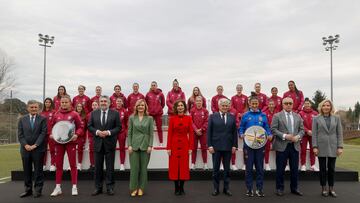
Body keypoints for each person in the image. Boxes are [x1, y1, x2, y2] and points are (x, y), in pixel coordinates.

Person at [49, 95, 84, 196]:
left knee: (73, 165)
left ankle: (74, 187)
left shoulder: (75, 114)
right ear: (60, 103)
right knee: (58, 165)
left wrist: (77, 134)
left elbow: (81, 127)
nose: (64, 104)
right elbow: (52, 127)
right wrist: (52, 134)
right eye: (62, 102)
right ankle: (58, 187)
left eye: (66, 102)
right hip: (59, 143)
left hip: (71, 143)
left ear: (70, 103)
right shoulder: (56, 115)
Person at [239, 93, 272, 197]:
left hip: (260, 146)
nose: (254, 105)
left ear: (259, 104)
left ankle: (259, 189)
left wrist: (270, 134)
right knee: (248, 168)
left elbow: (266, 128)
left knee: (259, 168)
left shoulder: (263, 115)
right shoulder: (245, 115)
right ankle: (249, 189)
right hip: (248, 146)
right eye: (252, 103)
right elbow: (241, 128)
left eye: (256, 103)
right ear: (249, 104)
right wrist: (240, 134)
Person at [88, 95, 121, 196]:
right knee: (98, 167)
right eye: (101, 101)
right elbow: (89, 126)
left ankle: (110, 187)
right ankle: (98, 188)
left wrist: (109, 132)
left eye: (105, 101)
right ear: (99, 103)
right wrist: (97, 132)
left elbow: (119, 127)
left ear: (109, 103)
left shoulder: (115, 113)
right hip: (98, 144)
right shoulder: (93, 113)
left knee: (110, 167)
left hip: (110, 143)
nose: (103, 103)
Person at [271, 97, 304, 196]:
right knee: (280, 169)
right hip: (282, 146)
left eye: (290, 103)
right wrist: (285, 136)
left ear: (293, 104)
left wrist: (297, 137)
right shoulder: (277, 116)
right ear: (282, 104)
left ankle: (294, 188)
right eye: (286, 103)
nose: (288, 105)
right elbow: (273, 129)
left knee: (294, 169)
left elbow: (302, 130)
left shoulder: (298, 116)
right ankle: (279, 188)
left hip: (295, 146)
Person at [312, 99, 343, 197]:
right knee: (322, 169)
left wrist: (340, 146)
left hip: (333, 146)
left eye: (328, 105)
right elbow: (314, 134)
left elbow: (339, 133)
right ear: (321, 107)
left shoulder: (336, 118)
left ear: (331, 107)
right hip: (320, 146)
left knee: (331, 169)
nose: (326, 107)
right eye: (324, 105)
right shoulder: (316, 118)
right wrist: (315, 146)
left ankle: (331, 189)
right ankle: (324, 188)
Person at [207, 98, 238, 196]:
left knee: (227, 170)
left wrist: (234, 146)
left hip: (228, 147)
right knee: (215, 170)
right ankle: (216, 189)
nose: (225, 107)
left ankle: (226, 188)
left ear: (229, 106)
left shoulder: (232, 117)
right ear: (219, 106)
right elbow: (209, 132)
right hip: (215, 147)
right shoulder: (212, 117)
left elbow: (234, 133)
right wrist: (210, 145)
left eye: (226, 105)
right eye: (223, 105)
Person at [18, 100, 47, 198]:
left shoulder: (43, 119)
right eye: (32, 107)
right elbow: (20, 135)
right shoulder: (22, 119)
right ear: (27, 108)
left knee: (38, 170)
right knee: (27, 170)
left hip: (38, 149)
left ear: (38, 108)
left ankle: (38, 190)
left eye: (35, 107)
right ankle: (28, 190)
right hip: (25, 149)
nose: (34, 109)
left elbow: (43, 133)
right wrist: (26, 145)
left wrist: (35, 145)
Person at [127, 99, 154, 197]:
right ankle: (133, 188)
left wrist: (150, 146)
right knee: (134, 169)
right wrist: (129, 145)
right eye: (139, 105)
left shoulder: (150, 118)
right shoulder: (131, 118)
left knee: (143, 169)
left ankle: (142, 188)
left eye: (142, 105)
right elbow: (129, 133)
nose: (141, 107)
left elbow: (151, 134)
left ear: (145, 107)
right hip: (134, 146)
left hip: (145, 146)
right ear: (136, 107)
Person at [167, 100, 194, 195]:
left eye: (182, 105)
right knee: (174, 167)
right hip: (174, 145)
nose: (180, 107)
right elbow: (169, 134)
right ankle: (176, 188)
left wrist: (190, 147)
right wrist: (168, 148)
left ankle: (182, 188)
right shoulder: (172, 119)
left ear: (184, 107)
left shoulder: (189, 118)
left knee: (183, 167)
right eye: (178, 106)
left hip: (184, 145)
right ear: (176, 108)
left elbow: (191, 134)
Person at [230, 84, 248, 170]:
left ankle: (245, 164)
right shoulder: (233, 97)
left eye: (240, 88)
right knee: (233, 144)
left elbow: (246, 107)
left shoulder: (245, 97)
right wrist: (238, 114)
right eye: (238, 88)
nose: (239, 89)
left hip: (243, 118)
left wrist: (243, 114)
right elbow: (232, 107)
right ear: (236, 89)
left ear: (242, 89)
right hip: (236, 118)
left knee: (245, 145)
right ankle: (233, 163)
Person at [299, 98, 319, 171]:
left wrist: (313, 131)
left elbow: (318, 124)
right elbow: (300, 124)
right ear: (304, 104)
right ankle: (303, 165)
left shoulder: (315, 113)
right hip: (304, 135)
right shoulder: (300, 113)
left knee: (312, 150)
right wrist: (307, 131)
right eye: (306, 103)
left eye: (308, 103)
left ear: (311, 104)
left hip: (313, 135)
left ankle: (313, 165)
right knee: (303, 150)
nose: (307, 105)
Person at [190, 96, 209, 170]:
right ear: (195, 102)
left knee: (204, 148)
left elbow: (207, 121)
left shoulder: (205, 111)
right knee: (193, 148)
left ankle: (205, 164)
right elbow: (191, 121)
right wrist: (195, 130)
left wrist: (201, 129)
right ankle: (193, 164)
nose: (198, 102)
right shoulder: (192, 110)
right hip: (194, 133)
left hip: (203, 133)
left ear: (202, 102)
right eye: (197, 101)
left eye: (200, 101)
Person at [145, 81, 165, 146]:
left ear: (156, 86)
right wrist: (149, 110)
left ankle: (161, 142)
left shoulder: (160, 94)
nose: (153, 86)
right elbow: (146, 103)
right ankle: (149, 143)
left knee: (159, 128)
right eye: (152, 85)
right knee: (149, 128)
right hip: (150, 114)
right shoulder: (148, 94)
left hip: (158, 114)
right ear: (151, 86)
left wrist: (158, 109)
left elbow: (163, 104)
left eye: (154, 85)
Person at [40, 97, 56, 171]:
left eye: (49, 102)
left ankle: (53, 164)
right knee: (43, 150)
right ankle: (43, 164)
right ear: (44, 103)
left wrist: (54, 132)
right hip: (43, 134)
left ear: (51, 103)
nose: (47, 103)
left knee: (52, 150)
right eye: (46, 102)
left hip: (51, 134)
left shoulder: (54, 112)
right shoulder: (41, 113)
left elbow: (56, 123)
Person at [113, 97, 129, 171]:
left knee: (122, 148)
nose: (119, 102)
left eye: (120, 101)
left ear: (122, 103)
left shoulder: (125, 111)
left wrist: (126, 131)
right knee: (111, 149)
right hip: (113, 133)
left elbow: (127, 123)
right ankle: (111, 164)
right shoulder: (112, 111)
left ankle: (122, 164)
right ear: (115, 102)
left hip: (122, 132)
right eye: (117, 101)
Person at [263, 99, 279, 171]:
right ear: (268, 105)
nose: (271, 105)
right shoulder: (264, 113)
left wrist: (275, 133)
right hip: (267, 133)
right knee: (267, 149)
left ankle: (280, 164)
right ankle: (266, 164)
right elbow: (264, 125)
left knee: (279, 149)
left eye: (273, 104)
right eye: (270, 104)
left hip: (276, 133)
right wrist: (269, 133)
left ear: (274, 105)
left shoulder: (277, 113)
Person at [86, 101, 99, 170]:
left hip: (99, 135)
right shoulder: (88, 115)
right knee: (91, 150)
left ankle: (98, 164)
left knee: (98, 150)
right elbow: (87, 125)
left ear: (98, 106)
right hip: (91, 135)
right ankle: (92, 164)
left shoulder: (101, 114)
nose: (94, 106)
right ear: (91, 106)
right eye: (93, 105)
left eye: (96, 105)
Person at [74, 103, 87, 170]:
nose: (79, 108)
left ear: (82, 108)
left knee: (79, 151)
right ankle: (72, 165)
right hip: (73, 136)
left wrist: (84, 139)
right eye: (78, 106)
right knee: (72, 151)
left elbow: (85, 128)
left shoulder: (84, 117)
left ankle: (79, 164)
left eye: (80, 106)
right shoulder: (73, 115)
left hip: (81, 137)